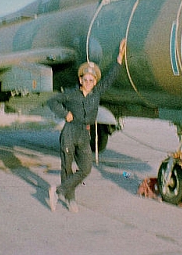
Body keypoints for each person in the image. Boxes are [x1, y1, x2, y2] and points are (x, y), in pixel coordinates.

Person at [47, 39, 126, 212]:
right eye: (86, 79)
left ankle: (58, 191)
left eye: (92, 79)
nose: (89, 82)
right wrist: (64, 114)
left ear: (95, 82)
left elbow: (111, 78)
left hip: (84, 134)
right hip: (69, 133)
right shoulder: (71, 94)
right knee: (66, 168)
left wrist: (119, 59)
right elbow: (52, 101)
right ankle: (71, 200)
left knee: (85, 168)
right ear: (80, 80)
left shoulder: (96, 94)